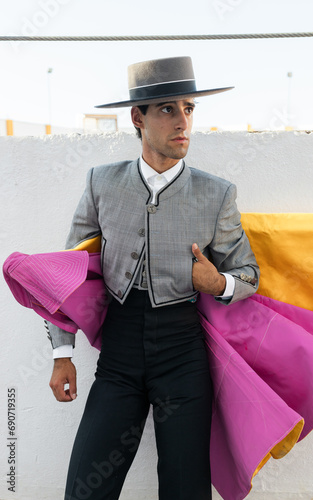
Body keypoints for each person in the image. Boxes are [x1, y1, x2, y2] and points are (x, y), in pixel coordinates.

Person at [48, 56, 260, 500]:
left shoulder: (217, 193)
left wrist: (217, 283)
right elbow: (66, 273)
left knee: (185, 490)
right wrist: (61, 353)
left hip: (182, 355)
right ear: (137, 118)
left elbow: (249, 276)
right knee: (85, 488)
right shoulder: (101, 183)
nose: (182, 121)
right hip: (119, 353)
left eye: (188, 108)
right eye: (167, 109)